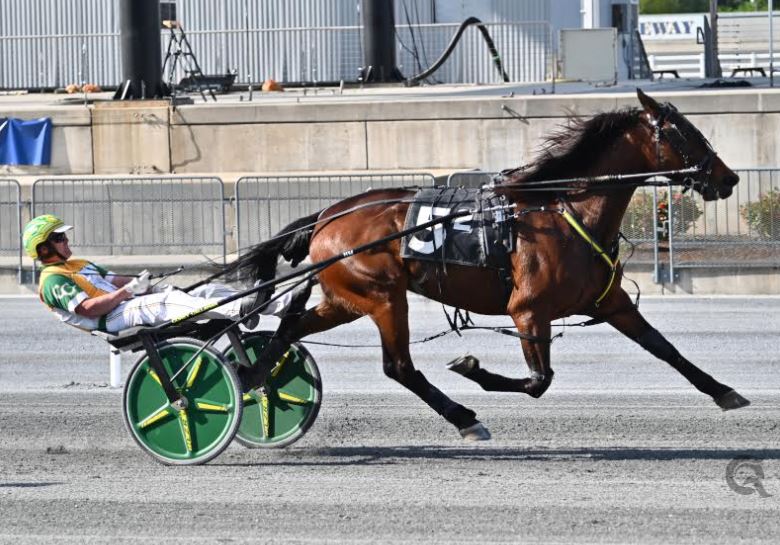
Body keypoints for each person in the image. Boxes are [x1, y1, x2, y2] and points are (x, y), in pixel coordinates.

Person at [22, 214, 305, 334]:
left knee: (201, 292)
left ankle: (279, 304)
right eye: (59, 238)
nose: (66, 241)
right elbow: (87, 308)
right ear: (44, 248)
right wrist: (127, 293)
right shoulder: (53, 281)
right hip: (111, 319)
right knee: (166, 302)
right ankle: (238, 309)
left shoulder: (78, 263)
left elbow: (112, 281)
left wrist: (140, 283)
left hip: (125, 305)